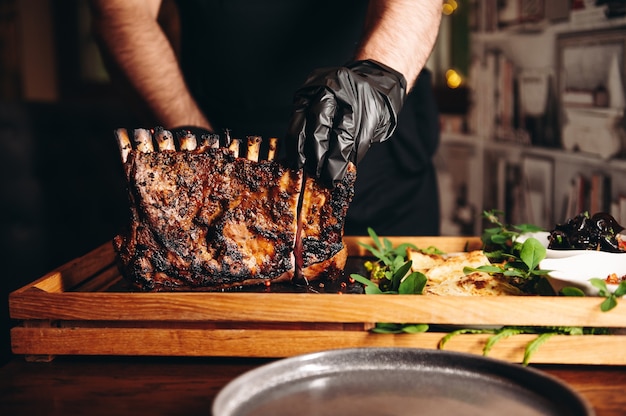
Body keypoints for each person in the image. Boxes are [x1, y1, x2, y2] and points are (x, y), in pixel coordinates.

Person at [89, 0, 443, 236]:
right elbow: (124, 15)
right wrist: (193, 142)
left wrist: (374, 78)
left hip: (375, 150)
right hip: (223, 140)